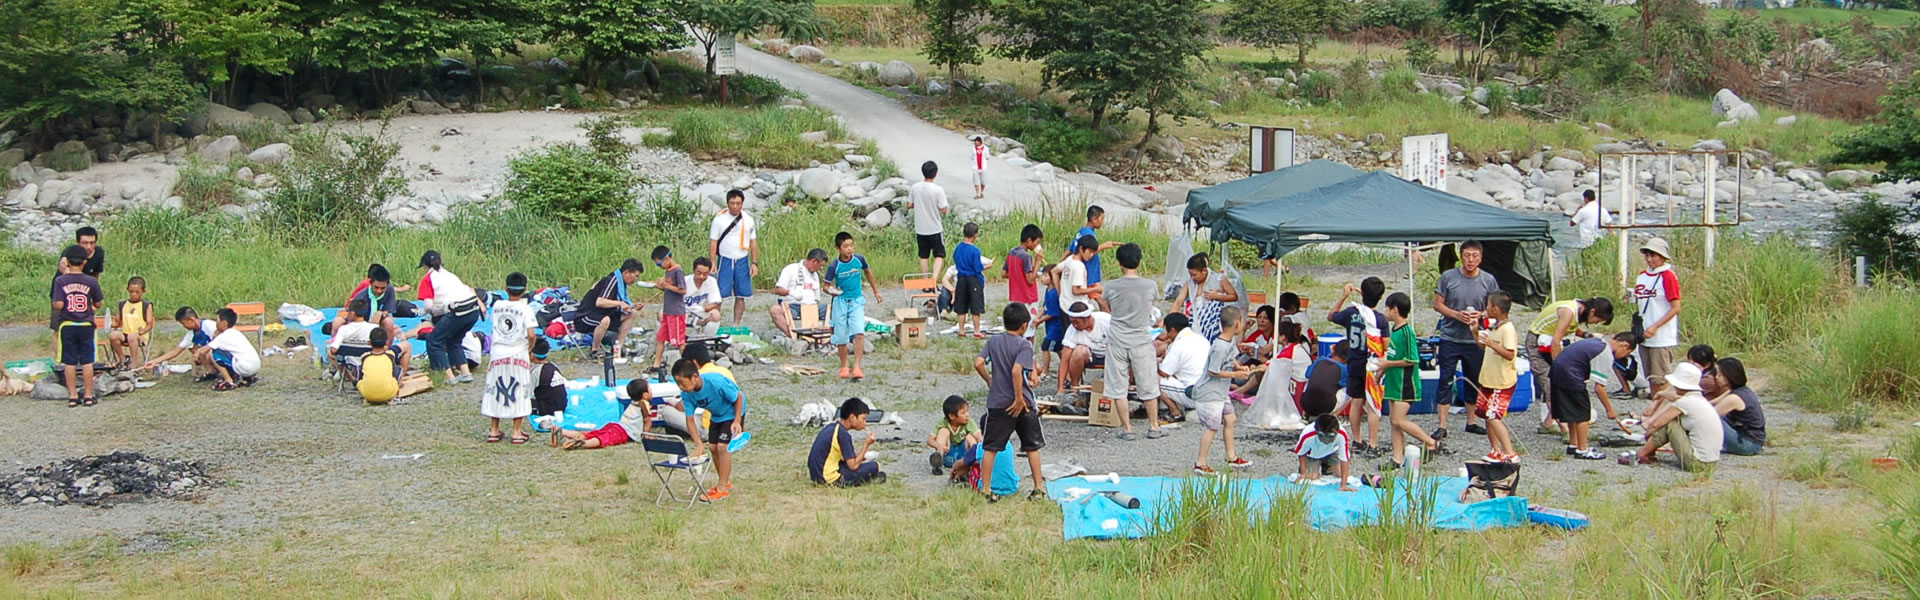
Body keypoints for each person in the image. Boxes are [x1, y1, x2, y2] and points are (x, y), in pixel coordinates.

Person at [974, 304, 1046, 500]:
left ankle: (986, 489)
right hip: (1021, 402)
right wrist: (1019, 398)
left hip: (997, 402)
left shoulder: (994, 341)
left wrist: (989, 380)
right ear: (1024, 326)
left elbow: (978, 363)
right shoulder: (1024, 345)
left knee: (990, 447)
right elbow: (1016, 371)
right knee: (1032, 445)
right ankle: (1038, 487)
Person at [1433, 240, 1501, 434]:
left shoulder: (1488, 280)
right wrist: (1456, 314)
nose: (1471, 260)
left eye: (1475, 256)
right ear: (1461, 256)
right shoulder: (1448, 277)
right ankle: (1442, 425)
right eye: (1467, 255)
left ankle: (1471, 422)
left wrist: (1480, 315)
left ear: (1481, 257)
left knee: (1474, 379)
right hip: (1450, 337)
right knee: (1445, 379)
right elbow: (1438, 304)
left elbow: (1495, 309)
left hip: (1475, 339)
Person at [1527, 297, 1615, 432]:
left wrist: (1586, 335)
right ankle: (1565, 429)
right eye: (1597, 320)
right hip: (1538, 343)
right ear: (1592, 311)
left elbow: (1570, 329)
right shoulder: (1569, 312)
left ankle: (1548, 423)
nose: (1595, 323)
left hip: (1549, 344)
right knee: (1550, 381)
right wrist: (1558, 367)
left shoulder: (1579, 310)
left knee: (1555, 384)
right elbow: (1556, 341)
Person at [1102, 244, 1160, 441]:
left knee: (1118, 386)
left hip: (1118, 338)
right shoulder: (1150, 285)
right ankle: (1154, 425)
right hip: (1142, 339)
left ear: (1119, 263)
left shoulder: (1111, 286)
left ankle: (1127, 429)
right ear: (1139, 260)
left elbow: (1107, 305)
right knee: (1148, 383)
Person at [1621, 362, 1721, 472]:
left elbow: (1656, 424)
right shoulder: (1698, 399)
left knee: (1670, 423)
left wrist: (1647, 436)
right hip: (1712, 462)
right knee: (1673, 423)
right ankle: (1647, 452)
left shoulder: (1685, 402)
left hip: (1697, 463)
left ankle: (1642, 453)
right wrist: (1661, 394)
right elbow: (1675, 397)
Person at [1552, 333, 1637, 460]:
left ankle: (1573, 444)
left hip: (1557, 370)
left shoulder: (1598, 342)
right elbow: (1599, 388)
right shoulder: (1606, 353)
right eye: (1627, 352)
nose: (1623, 356)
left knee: (1572, 410)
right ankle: (1582, 449)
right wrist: (1609, 410)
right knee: (1583, 413)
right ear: (1624, 345)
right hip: (1571, 375)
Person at [1327, 277, 1388, 454]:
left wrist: (1344, 295)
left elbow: (1331, 316)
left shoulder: (1352, 312)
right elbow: (1386, 345)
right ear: (1381, 296)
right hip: (1372, 364)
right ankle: (1373, 443)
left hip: (1354, 361)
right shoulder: (1380, 319)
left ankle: (1357, 440)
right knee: (1373, 404)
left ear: (1361, 293)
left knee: (1356, 401)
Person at [1194, 306, 1258, 474]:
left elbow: (1232, 358)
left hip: (1221, 393)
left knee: (1230, 419)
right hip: (1210, 392)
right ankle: (1200, 463)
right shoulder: (1220, 346)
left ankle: (1231, 457)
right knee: (1212, 427)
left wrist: (1240, 368)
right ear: (1237, 324)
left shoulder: (1228, 342)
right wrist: (1236, 373)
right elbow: (1213, 370)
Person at [1381, 293, 1440, 469]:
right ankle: (1397, 457)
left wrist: (1387, 363)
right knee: (1394, 420)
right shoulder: (1395, 330)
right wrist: (1380, 372)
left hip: (1405, 383)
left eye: (1387, 308)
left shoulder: (1407, 332)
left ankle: (1431, 442)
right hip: (1393, 381)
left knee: (1399, 420)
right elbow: (1392, 354)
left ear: (1395, 310)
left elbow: (1412, 359)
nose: (1385, 311)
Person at [673, 358, 744, 501]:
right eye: (677, 383)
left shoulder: (715, 382)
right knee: (712, 447)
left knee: (723, 447)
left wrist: (737, 420)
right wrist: (698, 443)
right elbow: (690, 420)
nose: (680, 387)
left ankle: (722, 488)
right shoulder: (687, 394)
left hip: (732, 412)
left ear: (694, 377)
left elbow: (738, 398)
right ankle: (724, 482)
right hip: (716, 416)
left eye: (682, 382)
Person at [482, 273, 539, 444]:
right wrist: (530, 346)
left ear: (506, 288)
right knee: (520, 388)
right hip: (517, 351)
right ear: (524, 291)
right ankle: (516, 431)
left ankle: (494, 429)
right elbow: (530, 333)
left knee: (494, 387)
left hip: (498, 351)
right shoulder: (526, 309)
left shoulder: (498, 305)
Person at [50, 246, 103, 407]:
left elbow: (58, 304)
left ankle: (72, 396)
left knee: (69, 361)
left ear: (67, 261)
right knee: (87, 361)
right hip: (86, 323)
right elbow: (98, 302)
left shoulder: (60, 281)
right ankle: (88, 395)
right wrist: (90, 308)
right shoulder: (91, 281)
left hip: (67, 324)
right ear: (85, 262)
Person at [417, 250, 481, 384]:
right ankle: (465, 373)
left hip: (458, 311)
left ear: (425, 266)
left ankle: (448, 376)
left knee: (435, 341)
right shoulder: (450, 275)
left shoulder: (428, 279)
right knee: (454, 340)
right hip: (473, 310)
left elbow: (429, 306)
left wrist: (422, 312)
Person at [828, 232, 882, 381]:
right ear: (838, 248)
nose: (849, 249)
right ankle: (844, 365)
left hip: (857, 300)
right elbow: (826, 286)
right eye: (845, 246)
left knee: (859, 332)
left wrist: (876, 291)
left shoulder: (859, 260)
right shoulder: (834, 266)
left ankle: (857, 365)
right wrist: (832, 291)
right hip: (840, 301)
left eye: (851, 245)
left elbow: (868, 273)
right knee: (841, 335)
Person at [1475, 291, 1521, 463]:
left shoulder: (1508, 329)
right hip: (1488, 378)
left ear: (1495, 309)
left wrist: (1492, 344)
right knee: (1486, 415)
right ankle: (1495, 450)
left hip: (1501, 381)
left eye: (1488, 305)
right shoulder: (1495, 326)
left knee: (1493, 415)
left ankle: (1510, 452)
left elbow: (1510, 354)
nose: (1486, 308)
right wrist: (1474, 331)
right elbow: (1482, 346)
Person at [1633, 237, 1683, 396]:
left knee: (1661, 379)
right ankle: (1655, 409)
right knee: (1651, 376)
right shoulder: (1642, 276)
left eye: (1653, 255)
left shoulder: (1668, 276)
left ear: (1663, 257)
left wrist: (1655, 326)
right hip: (1644, 333)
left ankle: (1663, 412)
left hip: (1661, 336)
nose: (1649, 259)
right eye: (1647, 255)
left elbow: (1676, 307)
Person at [575, 259, 646, 362]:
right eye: (635, 276)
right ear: (626, 272)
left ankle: (618, 347)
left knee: (631, 314)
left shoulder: (622, 284)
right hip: (585, 317)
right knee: (605, 320)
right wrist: (620, 303)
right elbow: (599, 302)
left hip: (604, 314)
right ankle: (595, 350)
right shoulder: (612, 280)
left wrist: (632, 306)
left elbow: (621, 303)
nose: (635, 280)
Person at [707, 189, 760, 327]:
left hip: (742, 259)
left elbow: (753, 242)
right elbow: (713, 241)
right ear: (727, 203)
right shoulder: (719, 219)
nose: (735, 206)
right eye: (732, 203)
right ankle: (715, 323)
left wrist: (754, 263)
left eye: (738, 203)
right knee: (719, 294)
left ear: (742, 203)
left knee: (741, 294)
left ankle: (736, 323)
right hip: (725, 259)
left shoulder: (748, 220)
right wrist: (712, 261)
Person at [808, 398, 886, 486]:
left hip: (816, 475)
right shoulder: (843, 435)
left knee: (857, 464)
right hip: (828, 478)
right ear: (852, 417)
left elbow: (846, 457)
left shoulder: (832, 427)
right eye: (863, 419)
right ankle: (866, 480)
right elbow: (853, 466)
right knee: (875, 466)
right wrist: (866, 444)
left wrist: (860, 457)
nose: (865, 423)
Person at [1150, 312, 1206, 437]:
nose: (1167, 335)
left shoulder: (1178, 344)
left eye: (1167, 331)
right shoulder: (1201, 339)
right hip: (1206, 389)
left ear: (1173, 330)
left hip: (1193, 394)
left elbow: (1163, 372)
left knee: (1155, 380)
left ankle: (1175, 412)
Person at [335, 263, 415, 348]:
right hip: (360, 321)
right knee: (337, 322)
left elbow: (388, 309)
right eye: (376, 287)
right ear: (370, 283)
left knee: (389, 322)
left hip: (378, 321)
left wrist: (381, 313)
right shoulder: (361, 296)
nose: (379, 291)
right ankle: (337, 346)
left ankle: (387, 348)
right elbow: (352, 316)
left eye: (382, 288)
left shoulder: (389, 290)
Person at [561, 381, 653, 450]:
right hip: (623, 432)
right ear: (645, 395)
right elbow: (647, 421)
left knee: (594, 433)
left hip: (616, 425)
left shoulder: (634, 401)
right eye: (650, 389)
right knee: (603, 439)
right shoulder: (644, 404)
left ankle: (563, 432)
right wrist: (646, 436)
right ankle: (583, 443)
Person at [142, 307, 218, 379]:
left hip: (221, 352)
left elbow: (220, 342)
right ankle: (212, 372)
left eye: (183, 323)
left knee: (204, 352)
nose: (184, 326)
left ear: (191, 320)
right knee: (196, 350)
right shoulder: (191, 334)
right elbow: (175, 351)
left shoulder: (209, 325)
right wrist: (155, 361)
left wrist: (201, 351)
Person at [1175, 253, 1238, 341]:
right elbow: (1178, 301)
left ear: (1204, 271)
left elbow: (1234, 296)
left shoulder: (1219, 279)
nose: (1192, 278)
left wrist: (1217, 297)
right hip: (1196, 322)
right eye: (1190, 275)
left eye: (1195, 275)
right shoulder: (1190, 283)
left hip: (1213, 324)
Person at [1711, 357, 1766, 456]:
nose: (1716, 377)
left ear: (1730, 377)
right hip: (1754, 440)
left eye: (1720, 375)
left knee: (1712, 420)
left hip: (1748, 444)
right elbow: (1712, 402)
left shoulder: (1735, 398)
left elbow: (1708, 415)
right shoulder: (1741, 390)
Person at [770, 248, 829, 338]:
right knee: (775, 310)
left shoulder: (815, 275)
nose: (820, 269)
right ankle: (793, 336)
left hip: (812, 306)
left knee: (836, 309)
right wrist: (790, 292)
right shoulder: (791, 269)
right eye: (820, 266)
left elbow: (817, 297)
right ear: (814, 261)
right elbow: (777, 290)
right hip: (793, 306)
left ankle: (827, 337)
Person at [1056, 302, 1110, 397]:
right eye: (1072, 322)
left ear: (1087, 318)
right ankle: (1075, 387)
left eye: (1076, 322)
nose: (1074, 326)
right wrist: (1060, 388)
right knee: (1078, 351)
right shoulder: (1072, 331)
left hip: (1112, 353)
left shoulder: (1106, 321)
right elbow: (1065, 360)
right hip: (1090, 355)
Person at [649, 246, 688, 374]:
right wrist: (659, 286)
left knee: (679, 341)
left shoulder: (678, 271)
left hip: (676, 313)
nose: (659, 266)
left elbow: (683, 290)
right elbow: (669, 289)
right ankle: (656, 364)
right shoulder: (668, 271)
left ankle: (688, 364)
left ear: (667, 258)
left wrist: (667, 285)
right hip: (667, 311)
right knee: (660, 338)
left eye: (659, 263)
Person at [1293, 414, 1357, 492]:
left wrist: (1343, 484)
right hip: (1313, 455)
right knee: (1312, 477)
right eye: (1321, 435)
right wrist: (1303, 473)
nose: (1325, 439)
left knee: (1340, 474)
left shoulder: (1342, 434)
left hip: (1332, 453)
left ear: (1337, 432)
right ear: (1316, 431)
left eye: (1330, 436)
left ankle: (1327, 467)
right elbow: (1301, 453)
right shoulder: (1307, 434)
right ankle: (1315, 468)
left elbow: (1345, 458)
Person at [909, 161, 951, 278]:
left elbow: (909, 204)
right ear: (935, 173)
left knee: (923, 256)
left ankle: (925, 281)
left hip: (920, 228)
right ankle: (934, 278)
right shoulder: (938, 190)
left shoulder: (915, 187)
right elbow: (943, 209)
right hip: (935, 228)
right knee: (939, 255)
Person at [926, 394, 982, 481]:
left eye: (967, 411)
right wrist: (938, 446)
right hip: (948, 453)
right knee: (943, 431)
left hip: (964, 458)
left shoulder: (969, 422)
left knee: (970, 436)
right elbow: (930, 440)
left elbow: (979, 436)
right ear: (952, 416)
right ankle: (938, 459)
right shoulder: (943, 422)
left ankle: (974, 460)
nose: (967, 415)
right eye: (963, 413)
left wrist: (981, 448)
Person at [205, 307, 261, 391]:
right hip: (255, 366)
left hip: (244, 368)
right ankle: (247, 377)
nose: (216, 324)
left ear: (224, 323)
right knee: (228, 354)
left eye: (217, 321)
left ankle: (228, 381)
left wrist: (199, 358)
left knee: (215, 353)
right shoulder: (236, 332)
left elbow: (204, 350)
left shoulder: (223, 336)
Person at [106, 276, 154, 370]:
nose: (134, 294)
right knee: (113, 335)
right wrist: (113, 323)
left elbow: (149, 324)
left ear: (143, 291)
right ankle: (123, 360)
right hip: (125, 333)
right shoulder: (123, 304)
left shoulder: (146, 305)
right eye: (131, 291)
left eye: (137, 292)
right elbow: (118, 321)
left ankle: (133, 364)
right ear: (127, 290)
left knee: (132, 336)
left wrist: (144, 330)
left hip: (139, 336)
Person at [951, 222, 988, 338]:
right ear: (975, 235)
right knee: (975, 306)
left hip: (961, 278)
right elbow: (977, 268)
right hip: (973, 279)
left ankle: (961, 330)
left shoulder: (958, 248)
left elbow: (956, 261)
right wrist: (988, 266)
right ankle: (977, 331)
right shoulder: (975, 250)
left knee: (961, 305)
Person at [1006, 224, 1044, 338]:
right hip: (1028, 298)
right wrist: (1038, 262)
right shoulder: (1026, 256)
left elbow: (1004, 273)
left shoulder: (1012, 252)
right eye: (1036, 242)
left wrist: (1018, 275)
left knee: (1016, 327)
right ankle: (1029, 353)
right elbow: (1030, 280)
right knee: (1029, 330)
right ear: (1029, 240)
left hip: (1015, 296)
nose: (1037, 245)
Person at [1058, 235, 1102, 319]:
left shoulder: (1069, 259)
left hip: (1064, 305)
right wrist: (1096, 289)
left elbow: (1054, 271)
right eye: (1090, 252)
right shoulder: (1079, 267)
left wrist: (1060, 293)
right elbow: (1076, 291)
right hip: (1076, 309)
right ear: (1081, 249)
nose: (1091, 255)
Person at [358, 328, 402, 405]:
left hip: (367, 394)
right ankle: (392, 397)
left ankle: (368, 399)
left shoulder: (364, 356)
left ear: (369, 342)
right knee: (397, 370)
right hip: (388, 393)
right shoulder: (390, 355)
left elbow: (361, 375)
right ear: (386, 343)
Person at [682, 257, 723, 337]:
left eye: (705, 274)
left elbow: (716, 302)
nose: (701, 277)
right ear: (694, 270)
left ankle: (708, 339)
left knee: (716, 315)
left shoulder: (711, 281)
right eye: (699, 273)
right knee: (662, 314)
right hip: (683, 313)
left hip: (700, 313)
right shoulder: (684, 281)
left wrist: (703, 309)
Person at [328, 299, 378, 365]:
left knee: (329, 350)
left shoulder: (343, 329)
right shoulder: (374, 328)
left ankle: (338, 370)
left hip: (349, 362)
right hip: (368, 361)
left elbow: (334, 350)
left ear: (352, 313)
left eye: (348, 311)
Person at [1036, 264, 1065, 376]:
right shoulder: (1048, 290)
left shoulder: (1054, 294)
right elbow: (1044, 307)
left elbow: (1052, 313)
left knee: (1045, 347)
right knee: (1059, 348)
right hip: (1050, 327)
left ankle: (1045, 370)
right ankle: (1066, 366)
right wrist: (1038, 317)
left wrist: (1039, 320)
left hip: (1056, 327)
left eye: (1045, 275)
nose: (1042, 278)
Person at [530, 338, 567, 419]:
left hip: (547, 409)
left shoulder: (535, 371)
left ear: (532, 355)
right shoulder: (553, 366)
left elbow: (527, 393)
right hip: (562, 406)